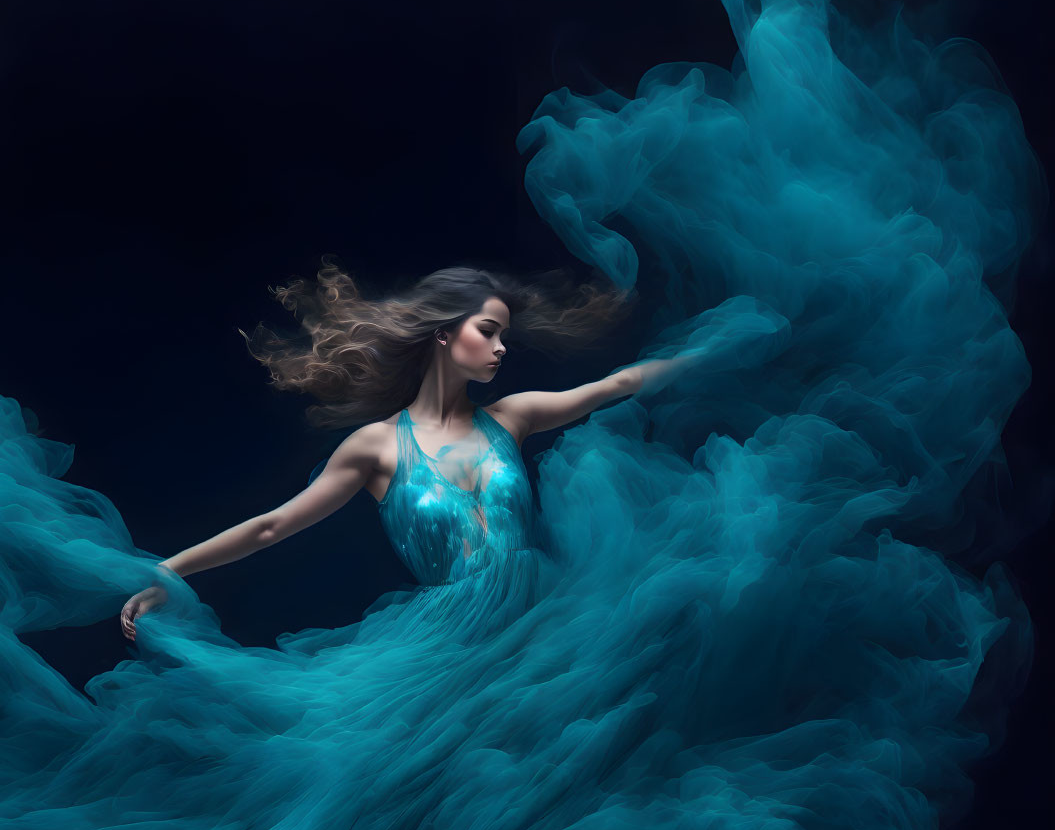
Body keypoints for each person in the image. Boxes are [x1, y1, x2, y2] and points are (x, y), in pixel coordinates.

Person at [121, 260, 687, 639]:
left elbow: (614, 386)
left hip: (547, 622)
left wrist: (711, 350)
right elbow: (272, 526)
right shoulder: (376, 446)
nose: (500, 347)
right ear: (444, 333)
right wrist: (170, 572)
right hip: (453, 648)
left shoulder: (513, 417)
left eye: (504, 336)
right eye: (488, 331)